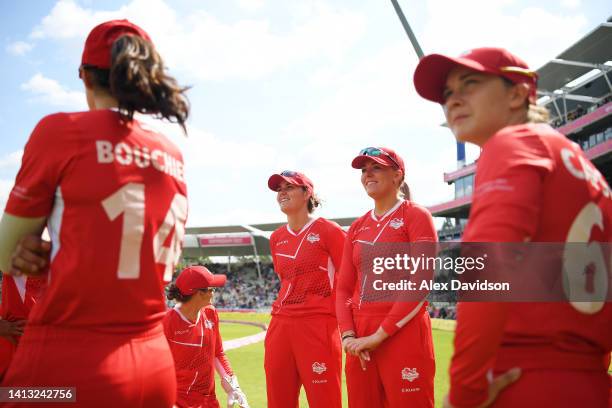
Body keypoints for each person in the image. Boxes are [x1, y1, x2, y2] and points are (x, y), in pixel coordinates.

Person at [0, 19, 189, 407]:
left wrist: (51, 254)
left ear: (84, 75)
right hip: (155, 365)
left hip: (69, 362)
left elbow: (7, 255)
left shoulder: (60, 131)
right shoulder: (171, 152)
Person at [413, 47, 612, 407]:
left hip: (523, 380)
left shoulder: (512, 143)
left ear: (518, 93)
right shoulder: (583, 167)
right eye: (446, 93)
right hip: (588, 379)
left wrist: (465, 394)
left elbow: (490, 268)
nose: (452, 100)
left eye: (469, 84)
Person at [336, 147, 437, 407]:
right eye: (364, 170)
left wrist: (380, 335)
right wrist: (348, 336)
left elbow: (421, 282)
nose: (368, 174)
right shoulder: (357, 227)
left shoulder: (415, 216)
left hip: (403, 332)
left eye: (376, 167)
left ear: (397, 175)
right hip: (359, 338)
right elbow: (344, 288)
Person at [265, 170, 346, 408]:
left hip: (318, 324)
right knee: (279, 401)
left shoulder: (329, 231)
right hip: (280, 324)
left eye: (289, 187)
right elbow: (284, 280)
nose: (282, 193)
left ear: (307, 192)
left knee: (325, 401)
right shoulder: (276, 238)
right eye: (279, 189)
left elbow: (349, 280)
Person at [164, 265, 249, 408]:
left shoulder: (210, 313)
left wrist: (233, 388)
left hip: (208, 401)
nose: (214, 293)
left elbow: (217, 353)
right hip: (176, 400)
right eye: (212, 289)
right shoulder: (167, 322)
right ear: (198, 293)